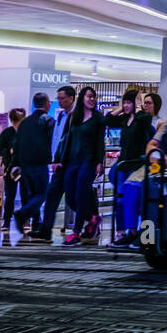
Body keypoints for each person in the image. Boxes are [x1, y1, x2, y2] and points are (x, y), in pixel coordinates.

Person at [105, 89, 153, 246]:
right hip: (123, 164)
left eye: (128, 103)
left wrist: (138, 106)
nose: (126, 106)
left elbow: (146, 120)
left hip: (137, 165)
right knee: (120, 199)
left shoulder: (141, 119)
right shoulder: (124, 120)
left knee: (133, 196)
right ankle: (123, 231)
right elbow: (109, 119)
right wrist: (121, 107)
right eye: (124, 102)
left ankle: (136, 231)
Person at [61, 86, 106, 245]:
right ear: (82, 98)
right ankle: (92, 218)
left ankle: (76, 233)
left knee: (81, 196)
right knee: (70, 198)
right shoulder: (74, 117)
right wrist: (59, 159)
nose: (92, 99)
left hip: (88, 162)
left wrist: (100, 162)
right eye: (89, 96)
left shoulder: (98, 119)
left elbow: (100, 142)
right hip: (72, 161)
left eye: (94, 97)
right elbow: (66, 140)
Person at [31, 85, 76, 242]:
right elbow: (58, 139)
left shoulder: (76, 116)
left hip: (70, 163)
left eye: (62, 98)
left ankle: (91, 218)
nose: (59, 101)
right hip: (59, 164)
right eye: (58, 98)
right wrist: (54, 158)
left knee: (73, 198)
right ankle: (46, 229)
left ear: (71, 98)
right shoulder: (61, 116)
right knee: (52, 195)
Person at [12, 93, 54, 233]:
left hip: (25, 165)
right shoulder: (48, 121)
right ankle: (23, 213)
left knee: (32, 194)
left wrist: (15, 164)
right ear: (47, 103)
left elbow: (16, 143)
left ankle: (36, 222)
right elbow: (53, 142)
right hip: (40, 163)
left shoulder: (25, 122)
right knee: (41, 193)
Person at [0, 108, 25, 230]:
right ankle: (7, 221)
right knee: (10, 196)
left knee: (25, 195)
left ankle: (24, 220)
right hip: (10, 167)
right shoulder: (7, 133)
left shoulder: (26, 132)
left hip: (24, 167)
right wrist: (9, 151)